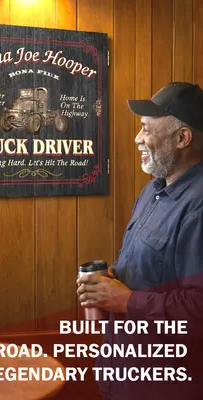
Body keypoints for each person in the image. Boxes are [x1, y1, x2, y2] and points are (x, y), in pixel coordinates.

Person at [77, 82, 203, 399]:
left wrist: (126, 301)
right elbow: (144, 267)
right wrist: (109, 281)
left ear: (182, 138)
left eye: (146, 129)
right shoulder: (152, 189)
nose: (138, 138)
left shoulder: (199, 208)